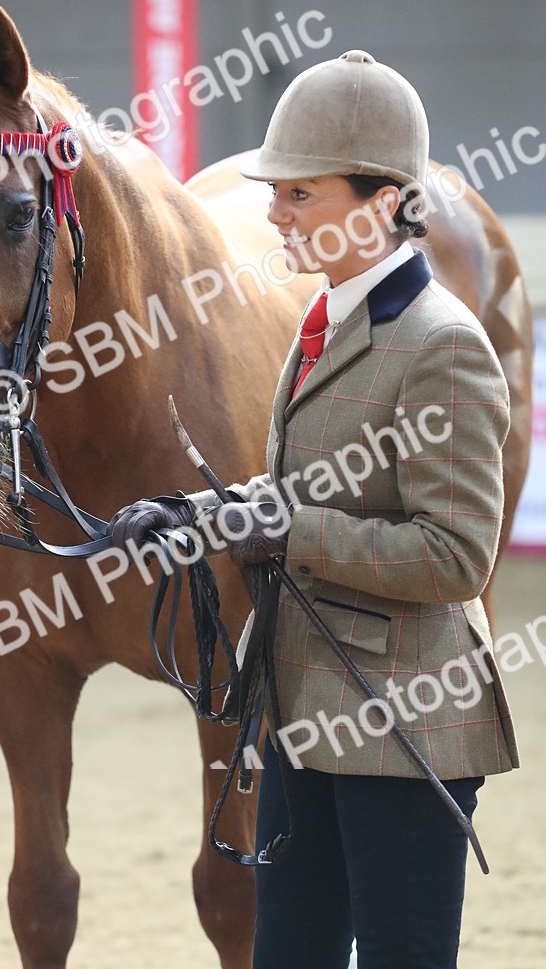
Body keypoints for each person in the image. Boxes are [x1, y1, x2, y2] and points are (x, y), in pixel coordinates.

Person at [109, 50, 518, 969]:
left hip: (404, 724)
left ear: (381, 203)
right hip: (300, 709)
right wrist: (200, 514)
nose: (274, 213)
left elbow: (454, 558)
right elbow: (298, 494)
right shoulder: (321, 322)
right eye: (277, 192)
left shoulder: (443, 346)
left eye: (300, 194)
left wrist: (287, 531)